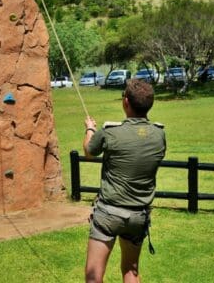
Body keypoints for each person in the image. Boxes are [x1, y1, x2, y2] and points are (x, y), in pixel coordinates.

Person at [82, 79, 166, 283]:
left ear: (125, 102)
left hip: (108, 214)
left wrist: (90, 129)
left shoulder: (111, 131)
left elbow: (89, 151)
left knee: (93, 276)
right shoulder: (159, 134)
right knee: (131, 271)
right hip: (139, 216)